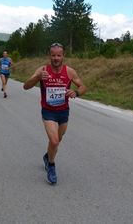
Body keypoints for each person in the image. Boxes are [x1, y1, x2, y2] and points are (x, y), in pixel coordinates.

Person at [23, 43, 86, 185]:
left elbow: (83, 86)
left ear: (63, 56)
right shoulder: (42, 70)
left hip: (63, 111)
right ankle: (51, 166)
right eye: (53, 55)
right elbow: (26, 86)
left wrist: (76, 92)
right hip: (48, 111)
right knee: (54, 141)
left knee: (58, 140)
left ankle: (47, 156)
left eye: (59, 55)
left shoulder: (69, 71)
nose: (56, 58)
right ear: (49, 56)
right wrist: (38, 77)